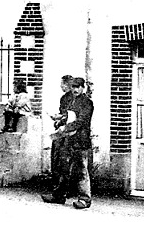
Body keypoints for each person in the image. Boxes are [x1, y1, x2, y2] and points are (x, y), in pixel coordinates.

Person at [42, 75, 94, 209]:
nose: (75, 89)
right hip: (68, 139)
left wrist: (66, 127)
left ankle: (84, 199)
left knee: (81, 170)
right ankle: (58, 196)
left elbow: (81, 121)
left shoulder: (87, 103)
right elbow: (68, 116)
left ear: (83, 88)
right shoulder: (71, 101)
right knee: (63, 168)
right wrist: (60, 120)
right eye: (73, 87)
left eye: (78, 87)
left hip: (80, 140)